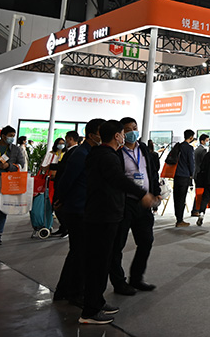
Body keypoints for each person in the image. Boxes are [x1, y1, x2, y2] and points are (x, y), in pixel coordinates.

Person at [80, 119, 158, 325]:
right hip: (103, 215)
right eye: (124, 132)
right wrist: (142, 194)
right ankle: (90, 311)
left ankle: (96, 302)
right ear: (117, 136)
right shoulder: (107, 156)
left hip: (106, 213)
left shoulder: (102, 154)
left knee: (102, 260)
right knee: (99, 262)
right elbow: (118, 179)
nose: (127, 136)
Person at [54, 119, 104, 305]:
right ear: (91, 135)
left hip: (84, 208)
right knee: (81, 253)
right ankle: (75, 293)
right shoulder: (81, 154)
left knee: (77, 252)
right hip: (77, 209)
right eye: (101, 133)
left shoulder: (92, 152)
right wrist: (60, 200)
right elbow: (67, 180)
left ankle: (63, 290)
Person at [109, 117, 161, 296]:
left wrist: (156, 191)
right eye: (128, 129)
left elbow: (152, 172)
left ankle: (137, 278)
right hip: (125, 203)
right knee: (118, 245)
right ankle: (119, 282)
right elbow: (117, 179)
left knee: (146, 241)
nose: (133, 132)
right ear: (121, 133)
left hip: (144, 203)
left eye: (135, 127)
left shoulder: (143, 149)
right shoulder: (117, 152)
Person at [173, 130, 196, 227]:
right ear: (191, 137)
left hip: (176, 175)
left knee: (176, 198)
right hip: (184, 176)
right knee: (182, 198)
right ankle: (180, 220)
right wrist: (192, 174)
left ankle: (178, 217)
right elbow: (191, 162)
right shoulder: (189, 148)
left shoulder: (179, 146)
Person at [191, 134, 210, 216]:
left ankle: (196, 209)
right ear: (202, 141)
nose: (208, 142)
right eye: (207, 140)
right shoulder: (203, 151)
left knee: (198, 191)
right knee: (200, 192)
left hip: (196, 174)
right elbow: (204, 163)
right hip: (201, 174)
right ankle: (196, 209)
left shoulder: (196, 150)